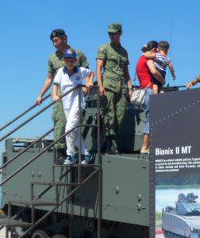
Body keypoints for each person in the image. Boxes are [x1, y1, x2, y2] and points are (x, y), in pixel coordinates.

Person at [35, 29, 91, 163]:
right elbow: (50, 78)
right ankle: (61, 153)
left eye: (56, 41)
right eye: (53, 42)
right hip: (60, 97)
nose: (54, 44)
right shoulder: (52, 58)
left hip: (75, 97)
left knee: (71, 127)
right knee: (60, 124)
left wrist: (88, 85)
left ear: (64, 38)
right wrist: (41, 95)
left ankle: (72, 154)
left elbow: (88, 71)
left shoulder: (78, 54)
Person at [96, 23, 133, 154]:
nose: (111, 36)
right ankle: (110, 143)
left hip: (121, 87)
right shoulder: (104, 48)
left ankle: (109, 139)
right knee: (109, 114)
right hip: (108, 86)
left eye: (114, 33)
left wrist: (130, 87)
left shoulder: (124, 52)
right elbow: (99, 68)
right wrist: (100, 85)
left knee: (121, 115)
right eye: (109, 34)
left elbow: (126, 72)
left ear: (120, 33)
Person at [53, 49, 94, 165]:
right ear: (64, 60)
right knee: (75, 132)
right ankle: (87, 155)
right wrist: (55, 95)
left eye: (72, 60)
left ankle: (71, 155)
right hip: (66, 103)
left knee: (69, 129)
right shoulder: (61, 71)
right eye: (67, 60)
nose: (69, 62)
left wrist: (89, 82)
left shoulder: (80, 70)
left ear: (76, 60)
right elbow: (56, 84)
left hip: (77, 103)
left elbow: (91, 73)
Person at [135, 41, 166, 154]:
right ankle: (145, 147)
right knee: (151, 119)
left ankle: (147, 146)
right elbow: (154, 71)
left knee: (151, 117)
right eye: (157, 49)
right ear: (154, 49)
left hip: (146, 89)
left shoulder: (141, 58)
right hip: (150, 90)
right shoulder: (148, 59)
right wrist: (163, 81)